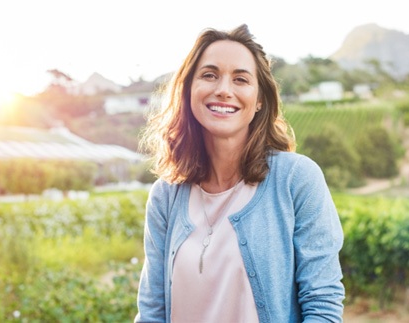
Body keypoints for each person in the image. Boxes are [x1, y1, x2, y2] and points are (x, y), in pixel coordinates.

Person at [135, 24, 345, 323]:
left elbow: (322, 304)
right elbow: (152, 313)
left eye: (241, 79)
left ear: (260, 99)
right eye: (209, 75)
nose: (223, 89)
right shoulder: (166, 195)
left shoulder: (296, 179)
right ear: (188, 90)